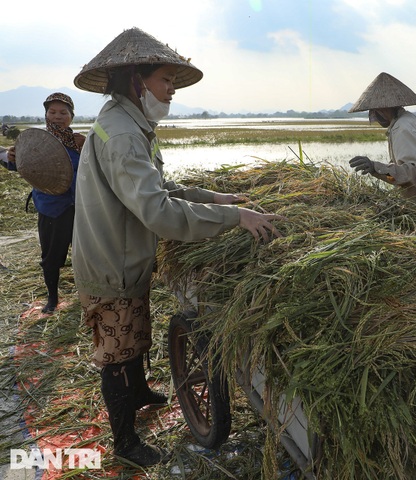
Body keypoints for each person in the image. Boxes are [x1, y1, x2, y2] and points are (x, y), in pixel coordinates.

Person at [72, 27, 284, 466]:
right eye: (165, 79)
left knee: (134, 332)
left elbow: (158, 187)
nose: (171, 89)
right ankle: (126, 442)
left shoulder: (129, 123)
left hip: (125, 253)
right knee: (117, 351)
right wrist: (237, 218)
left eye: (172, 80)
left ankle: (142, 390)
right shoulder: (125, 135)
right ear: (136, 79)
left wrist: (214, 198)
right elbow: (159, 213)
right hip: (112, 262)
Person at [1, 93, 85, 313]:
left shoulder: (80, 142)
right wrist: (11, 158)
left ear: (71, 117)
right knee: (51, 256)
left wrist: (88, 148)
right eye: (52, 112)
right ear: (46, 115)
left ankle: (85, 296)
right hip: (52, 208)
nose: (57, 117)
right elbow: (20, 166)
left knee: (84, 254)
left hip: (81, 207)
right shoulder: (36, 142)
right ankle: (52, 299)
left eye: (63, 113)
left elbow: (98, 166)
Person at [346, 72, 416, 237]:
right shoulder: (409, 120)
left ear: (382, 108)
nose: (373, 118)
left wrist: (375, 167)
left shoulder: (401, 128)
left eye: (374, 112)